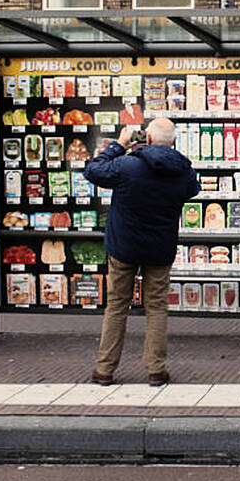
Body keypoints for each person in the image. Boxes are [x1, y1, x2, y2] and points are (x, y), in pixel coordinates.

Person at [85, 118, 199, 387]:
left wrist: (119, 144)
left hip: (123, 246)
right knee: (157, 306)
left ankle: (104, 369)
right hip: (160, 247)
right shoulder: (183, 170)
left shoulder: (127, 165)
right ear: (174, 142)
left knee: (116, 306)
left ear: (146, 139)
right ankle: (156, 370)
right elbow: (191, 191)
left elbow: (93, 171)